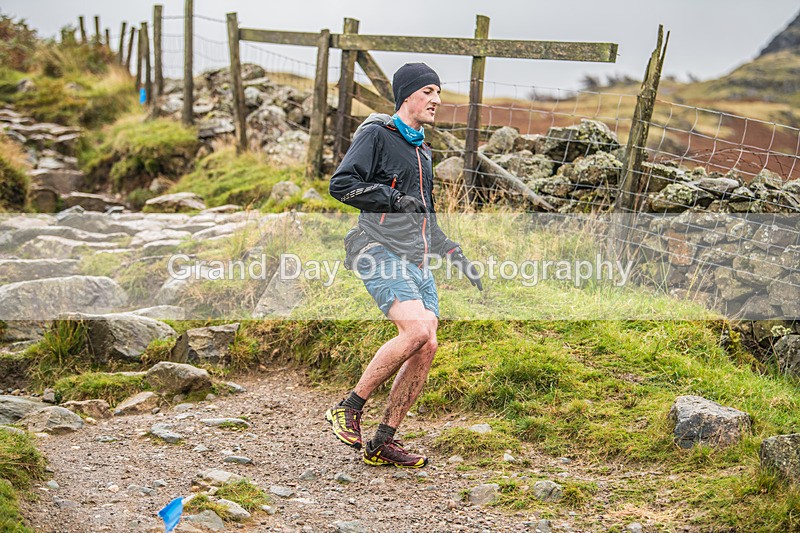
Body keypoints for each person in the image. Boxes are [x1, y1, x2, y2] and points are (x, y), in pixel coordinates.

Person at [326, 62, 482, 468]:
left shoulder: (422, 150)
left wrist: (451, 251)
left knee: (427, 343)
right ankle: (349, 407)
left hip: (415, 258)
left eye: (439, 92)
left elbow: (423, 213)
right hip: (375, 247)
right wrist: (392, 200)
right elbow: (341, 185)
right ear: (406, 96)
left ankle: (383, 440)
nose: (436, 99)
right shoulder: (377, 134)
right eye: (428, 91)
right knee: (416, 328)